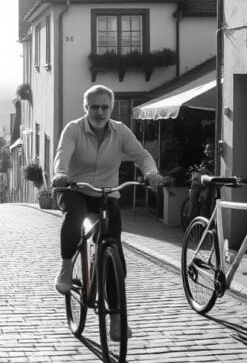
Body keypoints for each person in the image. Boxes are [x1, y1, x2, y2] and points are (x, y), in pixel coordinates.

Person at [51, 85, 164, 339]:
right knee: (74, 216)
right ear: (86, 108)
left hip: (106, 194)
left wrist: (151, 173)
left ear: (111, 108)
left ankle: (116, 319)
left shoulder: (120, 131)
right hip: (74, 189)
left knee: (116, 257)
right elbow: (62, 155)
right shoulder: (73, 130)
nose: (100, 112)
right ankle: (66, 268)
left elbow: (142, 155)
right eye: (94, 107)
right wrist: (61, 174)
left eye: (105, 107)